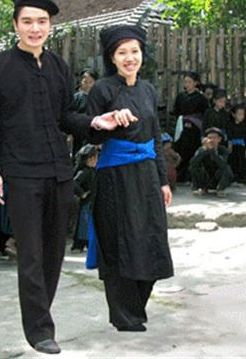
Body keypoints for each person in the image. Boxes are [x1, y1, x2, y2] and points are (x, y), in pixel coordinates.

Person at [0, 0, 135, 354]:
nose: (35, 28)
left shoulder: (58, 67)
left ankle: (40, 317)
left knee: (53, 252)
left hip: (59, 171)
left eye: (42, 22)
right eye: (28, 21)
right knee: (31, 254)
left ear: (50, 26)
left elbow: (66, 117)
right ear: (16, 25)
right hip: (20, 172)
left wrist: (96, 122)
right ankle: (39, 330)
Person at [86, 24, 174, 333]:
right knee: (119, 242)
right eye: (122, 52)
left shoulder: (148, 90)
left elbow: (156, 138)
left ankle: (136, 307)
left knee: (151, 240)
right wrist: (106, 122)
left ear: (142, 54)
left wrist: (163, 181)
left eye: (134, 51)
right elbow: (90, 135)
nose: (129, 58)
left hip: (147, 175)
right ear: (112, 58)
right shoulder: (102, 90)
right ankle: (124, 315)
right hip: (115, 176)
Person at [172, 71, 209, 182]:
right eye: (185, 82)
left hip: (195, 129)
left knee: (192, 151)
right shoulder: (181, 96)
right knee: (180, 150)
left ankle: (192, 176)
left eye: (189, 82)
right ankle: (180, 176)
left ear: (195, 83)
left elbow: (204, 114)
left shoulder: (201, 98)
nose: (187, 84)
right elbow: (177, 111)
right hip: (182, 127)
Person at [190, 127, 233, 197]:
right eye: (209, 138)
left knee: (227, 169)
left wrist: (212, 151)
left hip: (218, 178)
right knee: (194, 167)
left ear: (219, 139)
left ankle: (220, 189)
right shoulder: (201, 149)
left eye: (214, 138)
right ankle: (200, 188)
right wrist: (204, 150)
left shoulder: (223, 150)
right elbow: (192, 163)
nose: (212, 140)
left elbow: (223, 164)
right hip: (205, 178)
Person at [71, 144, 98, 253]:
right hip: (87, 202)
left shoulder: (92, 171)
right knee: (84, 223)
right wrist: (82, 194)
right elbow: (74, 183)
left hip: (91, 201)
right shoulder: (85, 172)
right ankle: (81, 243)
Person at [72, 70, 98, 155]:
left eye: (90, 82)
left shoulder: (100, 98)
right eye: (85, 82)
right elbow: (71, 116)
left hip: (95, 133)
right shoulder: (76, 98)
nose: (88, 85)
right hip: (79, 133)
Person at [228, 104, 246, 185]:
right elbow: (229, 135)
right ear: (234, 115)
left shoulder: (244, 125)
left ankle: (241, 179)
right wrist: (230, 144)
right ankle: (234, 179)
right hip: (234, 146)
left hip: (242, 146)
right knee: (234, 163)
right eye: (239, 114)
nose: (241, 116)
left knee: (241, 163)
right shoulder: (230, 125)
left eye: (243, 114)